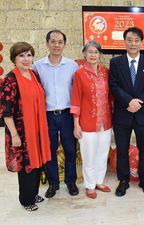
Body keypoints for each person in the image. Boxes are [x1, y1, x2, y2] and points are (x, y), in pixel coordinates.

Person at [1, 42, 51, 211]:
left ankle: (34, 192)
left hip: (37, 128)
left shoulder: (34, 74)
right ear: (14, 58)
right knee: (27, 166)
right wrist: (14, 135)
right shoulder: (10, 80)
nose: (26, 59)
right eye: (21, 55)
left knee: (37, 163)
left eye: (29, 55)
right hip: (22, 132)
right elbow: (6, 112)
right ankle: (26, 200)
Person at [109, 27, 144, 197]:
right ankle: (123, 180)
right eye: (129, 40)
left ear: (142, 42)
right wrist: (129, 101)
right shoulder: (115, 62)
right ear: (124, 42)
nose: (133, 43)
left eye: (136, 40)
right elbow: (113, 85)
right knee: (122, 148)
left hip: (143, 113)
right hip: (123, 113)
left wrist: (138, 102)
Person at [33, 30, 79, 198]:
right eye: (53, 41)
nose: (56, 45)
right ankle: (53, 184)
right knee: (49, 150)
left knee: (70, 150)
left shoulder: (72, 65)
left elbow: (77, 91)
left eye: (60, 42)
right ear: (47, 43)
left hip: (67, 114)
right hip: (47, 115)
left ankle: (71, 182)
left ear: (64, 45)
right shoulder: (37, 66)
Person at [71, 41, 112, 199]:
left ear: (100, 55)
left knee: (102, 153)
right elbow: (76, 99)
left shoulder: (106, 72)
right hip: (87, 123)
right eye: (90, 52)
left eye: (96, 52)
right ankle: (89, 185)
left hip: (106, 122)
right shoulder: (79, 74)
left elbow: (111, 96)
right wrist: (76, 124)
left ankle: (99, 181)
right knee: (88, 155)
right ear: (84, 55)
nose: (93, 55)